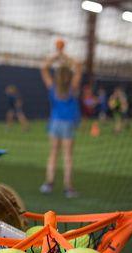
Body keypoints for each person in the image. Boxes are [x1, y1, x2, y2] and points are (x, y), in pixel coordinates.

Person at [39, 50, 82, 199]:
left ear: (56, 76)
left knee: (53, 154)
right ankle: (68, 188)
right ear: (69, 77)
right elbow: (78, 65)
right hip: (68, 124)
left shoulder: (52, 87)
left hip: (55, 123)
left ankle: (48, 184)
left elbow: (44, 68)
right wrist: (65, 56)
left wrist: (57, 55)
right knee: (68, 157)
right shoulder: (73, 87)